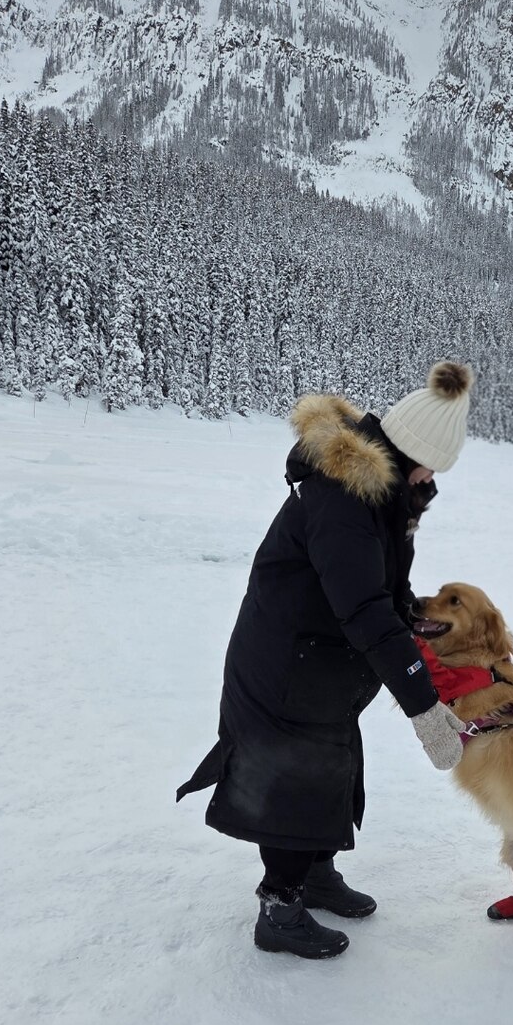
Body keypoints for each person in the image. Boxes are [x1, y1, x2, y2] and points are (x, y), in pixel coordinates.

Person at [177, 362, 474, 960]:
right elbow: (362, 608)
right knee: (297, 775)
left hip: (321, 661)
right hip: (287, 662)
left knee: (330, 767)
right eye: (430, 468)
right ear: (409, 453)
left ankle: (314, 874)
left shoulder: (384, 496)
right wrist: (422, 705)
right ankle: (279, 907)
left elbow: (381, 587)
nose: (430, 480)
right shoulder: (344, 499)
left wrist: (414, 625)